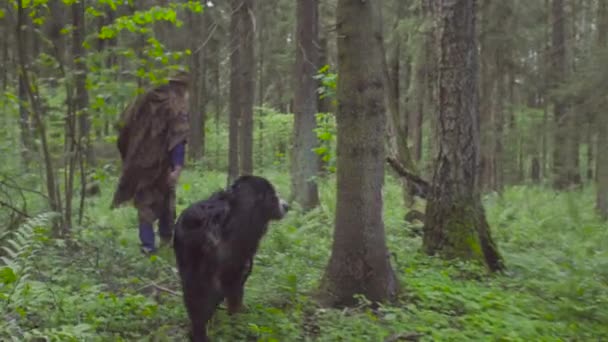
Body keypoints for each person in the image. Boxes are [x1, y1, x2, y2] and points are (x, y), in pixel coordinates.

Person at [111, 71, 191, 254]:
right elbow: (178, 138)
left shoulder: (142, 100)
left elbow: (124, 130)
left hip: (139, 162)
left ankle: (148, 246)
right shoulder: (176, 105)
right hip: (162, 164)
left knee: (144, 202)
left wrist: (130, 157)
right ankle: (164, 241)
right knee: (165, 199)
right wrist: (177, 167)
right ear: (182, 87)